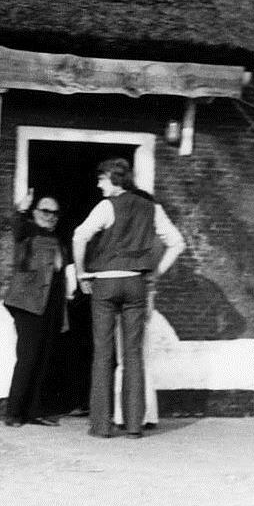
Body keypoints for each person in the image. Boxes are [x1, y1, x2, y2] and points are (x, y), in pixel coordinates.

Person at [72, 158, 185, 438]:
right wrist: (155, 273)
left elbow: (79, 236)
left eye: (102, 179)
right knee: (133, 354)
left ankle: (101, 425)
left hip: (106, 284)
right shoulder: (151, 208)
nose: (99, 185)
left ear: (115, 179)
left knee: (103, 352)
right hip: (136, 284)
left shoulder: (106, 206)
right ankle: (135, 426)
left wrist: (82, 273)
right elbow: (177, 243)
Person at [3, 189, 68, 427]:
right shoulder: (28, 232)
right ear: (35, 212)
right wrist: (21, 209)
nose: (50, 216)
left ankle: (33, 411)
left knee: (43, 358)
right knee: (28, 357)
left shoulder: (58, 240)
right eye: (45, 211)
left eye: (55, 213)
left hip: (50, 305)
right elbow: (16, 227)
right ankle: (13, 413)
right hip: (28, 304)